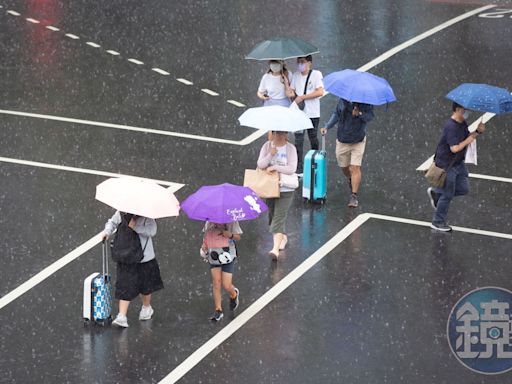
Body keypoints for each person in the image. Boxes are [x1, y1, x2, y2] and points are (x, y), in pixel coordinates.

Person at [427, 102, 485, 232]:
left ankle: (437, 194)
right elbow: (455, 148)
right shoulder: (451, 127)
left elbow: (466, 137)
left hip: (458, 163)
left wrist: (477, 132)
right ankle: (437, 222)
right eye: (465, 110)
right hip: (448, 165)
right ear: (458, 109)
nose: (467, 112)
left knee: (464, 189)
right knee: (447, 195)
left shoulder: (462, 123)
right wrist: (469, 140)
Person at [102, 212, 163, 328]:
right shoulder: (122, 212)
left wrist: (135, 227)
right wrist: (107, 232)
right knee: (125, 285)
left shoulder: (147, 215)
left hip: (144, 257)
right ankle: (122, 315)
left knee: (146, 287)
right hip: (127, 255)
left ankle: (146, 307)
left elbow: (152, 231)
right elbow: (112, 222)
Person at [320, 98, 374, 207]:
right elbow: (336, 114)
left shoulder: (366, 102)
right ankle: (351, 179)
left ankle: (354, 195)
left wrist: (359, 113)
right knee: (344, 167)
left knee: (355, 167)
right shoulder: (342, 100)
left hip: (358, 140)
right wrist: (327, 126)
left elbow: (370, 116)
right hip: (343, 140)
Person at [257, 130, 298, 260]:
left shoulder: (291, 148)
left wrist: (275, 167)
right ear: (273, 133)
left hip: (285, 189)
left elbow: (292, 168)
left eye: (283, 133)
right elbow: (260, 164)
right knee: (272, 217)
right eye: (277, 133)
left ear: (287, 134)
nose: (280, 136)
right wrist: (270, 155)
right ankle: (283, 237)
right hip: (270, 188)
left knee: (279, 218)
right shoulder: (267, 146)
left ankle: (275, 249)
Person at [287, 55, 324, 175]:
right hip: (299, 113)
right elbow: (292, 92)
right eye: (298, 62)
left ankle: (315, 162)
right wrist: (290, 92)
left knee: (313, 137)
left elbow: (320, 91)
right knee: (299, 140)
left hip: (312, 113)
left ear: (309, 63)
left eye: (302, 62)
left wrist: (303, 97)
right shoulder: (296, 75)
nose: (300, 65)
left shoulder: (316, 75)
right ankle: (299, 168)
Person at [201, 221, 242, 321]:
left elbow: (238, 237)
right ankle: (218, 310)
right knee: (216, 282)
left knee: (226, 284)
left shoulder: (232, 222)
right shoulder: (209, 222)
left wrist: (230, 235)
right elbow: (206, 237)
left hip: (228, 256)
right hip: (213, 256)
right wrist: (204, 246)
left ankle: (234, 294)